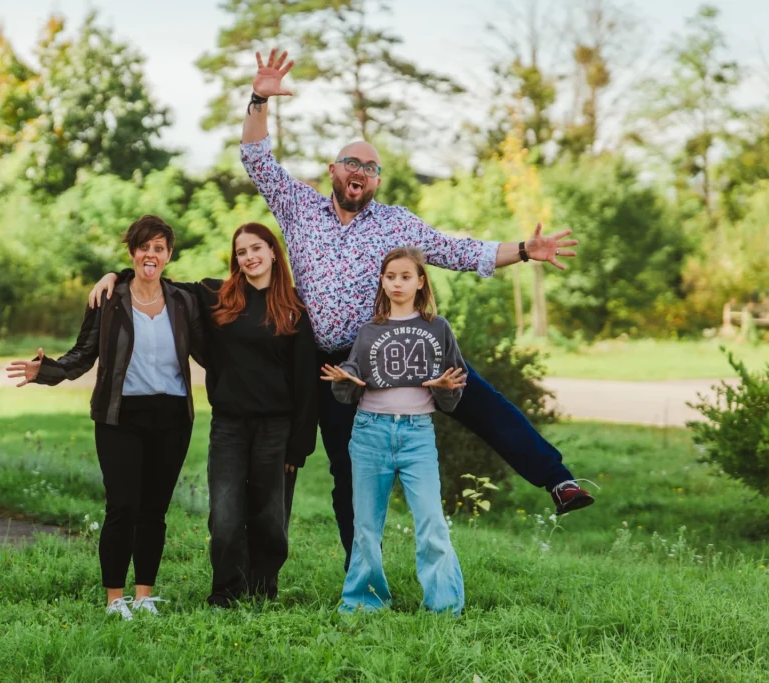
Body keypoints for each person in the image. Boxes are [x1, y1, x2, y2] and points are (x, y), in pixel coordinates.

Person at [241, 48, 594, 570]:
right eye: (352, 163)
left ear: (377, 182)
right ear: (333, 170)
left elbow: (459, 251)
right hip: (335, 363)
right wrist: (259, 98)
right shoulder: (300, 209)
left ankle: (557, 480)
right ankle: (362, 573)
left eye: (371, 167)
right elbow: (256, 158)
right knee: (347, 472)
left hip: (398, 341)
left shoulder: (396, 223)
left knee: (479, 400)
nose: (361, 171)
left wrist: (524, 250)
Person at [89, 222, 318, 607]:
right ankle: (226, 592)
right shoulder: (217, 295)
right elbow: (155, 278)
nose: (250, 257)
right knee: (225, 515)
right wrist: (116, 275)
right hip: (229, 425)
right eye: (241, 251)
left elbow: (306, 381)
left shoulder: (294, 307)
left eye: (257, 248)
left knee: (270, 516)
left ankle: (262, 591)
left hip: (276, 428)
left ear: (273, 252)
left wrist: (300, 445)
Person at [6, 215, 205, 620]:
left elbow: (214, 339)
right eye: (144, 247)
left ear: (169, 255)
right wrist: (46, 370)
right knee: (122, 507)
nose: (151, 255)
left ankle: (144, 595)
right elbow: (83, 353)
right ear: (132, 252)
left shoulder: (183, 300)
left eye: (159, 248)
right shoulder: (109, 299)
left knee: (154, 510)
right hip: (120, 416)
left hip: (172, 416)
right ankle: (115, 599)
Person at [323, 247, 467, 614]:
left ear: (420, 281)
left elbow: (455, 384)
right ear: (382, 282)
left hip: (417, 434)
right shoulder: (370, 331)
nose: (397, 283)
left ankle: (444, 604)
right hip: (370, 432)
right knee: (366, 525)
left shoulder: (438, 327)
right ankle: (364, 601)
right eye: (390, 277)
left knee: (431, 520)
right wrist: (345, 380)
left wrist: (444, 388)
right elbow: (352, 380)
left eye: (405, 276)